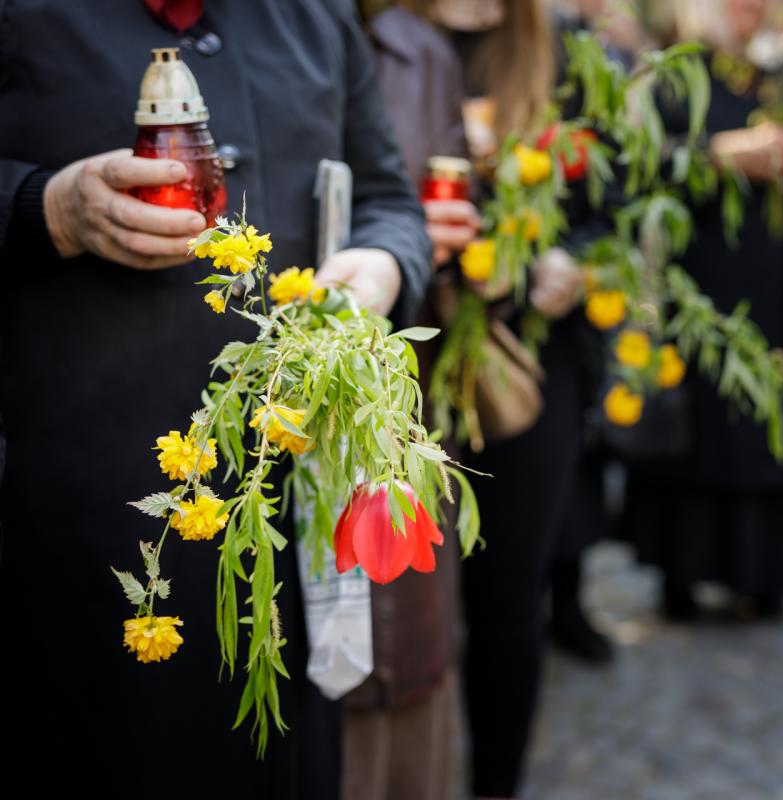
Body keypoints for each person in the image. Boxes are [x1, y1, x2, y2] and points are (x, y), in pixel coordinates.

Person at [0, 2, 430, 796]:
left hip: (288, 509)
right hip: (78, 521)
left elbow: (389, 202)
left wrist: (381, 265)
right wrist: (48, 208)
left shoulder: (320, 15)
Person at [393, 1, 596, 795]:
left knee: (509, 594)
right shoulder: (376, 39)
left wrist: (563, 265)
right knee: (399, 597)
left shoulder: (562, 58)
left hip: (524, 368)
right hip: (400, 354)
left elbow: (606, 218)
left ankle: (495, 782)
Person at [625, 0, 783, 622]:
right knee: (700, 431)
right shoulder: (678, 75)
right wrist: (716, 157)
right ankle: (682, 572)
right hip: (703, 288)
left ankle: (769, 575)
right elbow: (639, 168)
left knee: (775, 425)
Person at [341, 5, 478, 800]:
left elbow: (439, 198)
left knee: (411, 625)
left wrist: (439, 242)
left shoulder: (424, 52)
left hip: (404, 380)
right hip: (286, 393)